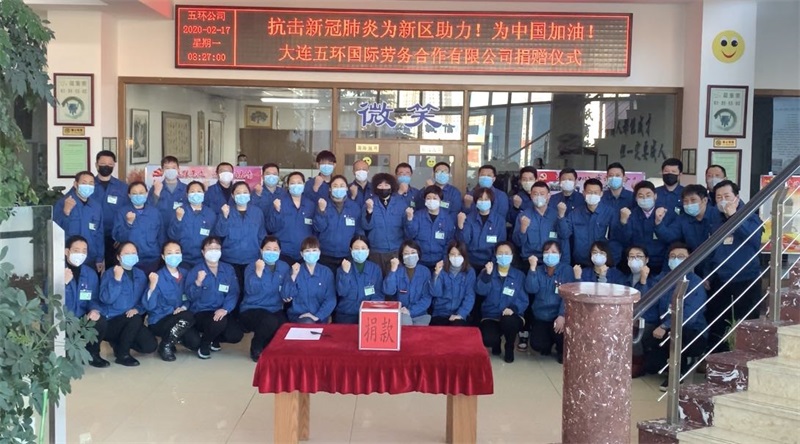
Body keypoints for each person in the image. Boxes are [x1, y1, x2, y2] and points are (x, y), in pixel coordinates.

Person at [707, 180, 764, 353]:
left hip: (745, 279)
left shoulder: (751, 216)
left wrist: (734, 217)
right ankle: (718, 361)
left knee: (745, 323)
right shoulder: (716, 219)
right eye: (719, 197)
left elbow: (754, 239)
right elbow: (711, 251)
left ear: (737, 198)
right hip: (721, 280)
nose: (723, 200)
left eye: (727, 196)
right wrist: (708, 274)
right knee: (718, 324)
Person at [644, 243, 707, 390]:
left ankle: (678, 373)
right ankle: (669, 364)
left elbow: (689, 316)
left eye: (681, 257)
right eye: (672, 257)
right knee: (651, 363)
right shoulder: (664, 279)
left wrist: (665, 325)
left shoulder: (696, 283)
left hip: (691, 331)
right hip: (665, 328)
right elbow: (652, 305)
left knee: (678, 334)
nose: (676, 260)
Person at [96, 242, 158, 366]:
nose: (131, 256)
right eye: (127, 253)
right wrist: (117, 280)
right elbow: (106, 299)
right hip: (111, 321)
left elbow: (144, 302)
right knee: (135, 319)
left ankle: (119, 343)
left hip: (130, 320)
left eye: (133, 253)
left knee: (150, 345)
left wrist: (138, 309)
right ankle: (122, 354)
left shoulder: (140, 274)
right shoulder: (110, 273)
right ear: (118, 257)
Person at [185, 236, 243, 359]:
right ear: (203, 252)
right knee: (218, 322)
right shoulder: (196, 270)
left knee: (236, 335)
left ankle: (213, 338)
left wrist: (225, 309)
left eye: (217, 248)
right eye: (210, 248)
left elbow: (233, 292)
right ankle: (204, 344)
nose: (214, 251)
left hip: (221, 310)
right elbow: (190, 296)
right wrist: (198, 283)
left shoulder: (228, 269)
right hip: (201, 312)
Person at [142, 241, 199, 361]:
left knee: (195, 342)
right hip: (159, 319)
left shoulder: (186, 274)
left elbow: (189, 297)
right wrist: (152, 287)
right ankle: (165, 345)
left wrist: (183, 308)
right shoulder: (157, 276)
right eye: (169, 253)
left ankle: (172, 339)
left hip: (180, 318)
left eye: (177, 252)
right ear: (163, 256)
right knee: (188, 316)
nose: (174, 256)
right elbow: (149, 306)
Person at [241, 236, 291, 362]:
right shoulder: (252, 266)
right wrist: (258, 272)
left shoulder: (284, 267)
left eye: (275, 249)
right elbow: (250, 290)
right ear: (261, 250)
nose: (272, 252)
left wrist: (288, 293)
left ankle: (268, 345)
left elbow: (287, 288)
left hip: (274, 307)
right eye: (268, 249)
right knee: (270, 321)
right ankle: (256, 346)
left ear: (280, 251)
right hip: (252, 307)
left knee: (284, 325)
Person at [477, 241, 528, 363]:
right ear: (495, 255)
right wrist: (487, 276)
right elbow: (480, 291)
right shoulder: (487, 271)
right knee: (488, 339)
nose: (503, 256)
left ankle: (509, 346)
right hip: (491, 315)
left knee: (508, 321)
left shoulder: (519, 275)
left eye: (506, 253)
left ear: (512, 255)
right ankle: (496, 343)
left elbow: (523, 299)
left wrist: (513, 309)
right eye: (500, 253)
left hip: (512, 315)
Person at [654, 185, 721, 278]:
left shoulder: (717, 215)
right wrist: (658, 222)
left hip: (717, 266)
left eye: (693, 200)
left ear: (704, 200)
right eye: (685, 201)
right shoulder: (683, 219)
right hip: (693, 265)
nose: (689, 204)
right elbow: (669, 236)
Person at [215, 181, 266, 303]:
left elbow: (261, 235)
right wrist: (224, 217)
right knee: (232, 291)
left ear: (249, 194)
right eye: (238, 193)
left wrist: (262, 256)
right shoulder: (227, 211)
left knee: (249, 289)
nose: (242, 195)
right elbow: (220, 233)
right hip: (230, 260)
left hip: (252, 259)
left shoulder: (257, 212)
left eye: (245, 192)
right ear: (233, 196)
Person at [524, 241, 574, 363]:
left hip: (558, 315)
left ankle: (560, 349)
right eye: (546, 252)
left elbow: (568, 296)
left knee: (561, 334)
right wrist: (532, 268)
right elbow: (531, 289)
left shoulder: (566, 270)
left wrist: (562, 315)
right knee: (537, 344)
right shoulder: (538, 270)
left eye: (554, 252)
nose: (550, 255)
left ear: (560, 255)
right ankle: (548, 343)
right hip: (541, 316)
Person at [63, 235, 108, 368]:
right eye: (76, 250)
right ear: (67, 251)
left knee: (100, 320)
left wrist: (94, 310)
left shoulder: (90, 274)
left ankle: (93, 354)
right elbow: (50, 301)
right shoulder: (57, 271)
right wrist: (63, 284)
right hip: (63, 322)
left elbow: (94, 299)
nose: (80, 254)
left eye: (84, 251)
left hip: (82, 320)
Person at [612, 180, 674, 274]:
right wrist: (623, 222)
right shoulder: (630, 215)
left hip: (659, 264)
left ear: (655, 196)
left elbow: (670, 238)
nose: (645, 198)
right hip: (636, 263)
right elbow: (623, 240)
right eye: (641, 196)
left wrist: (659, 223)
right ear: (636, 198)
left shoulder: (665, 213)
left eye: (648, 195)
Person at [558, 178, 618, 267]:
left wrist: (613, 261)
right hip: (581, 262)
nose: (592, 195)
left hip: (603, 263)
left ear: (601, 194)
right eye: (589, 192)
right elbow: (564, 234)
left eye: (595, 193)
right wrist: (561, 217)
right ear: (583, 193)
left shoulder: (610, 213)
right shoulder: (574, 214)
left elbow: (615, 239)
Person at [54, 171, 105, 273]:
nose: (88, 186)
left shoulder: (96, 207)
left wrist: (100, 258)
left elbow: (99, 234)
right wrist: (66, 212)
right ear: (75, 184)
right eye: (84, 183)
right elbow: (56, 229)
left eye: (91, 183)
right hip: (68, 258)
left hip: (90, 258)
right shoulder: (64, 203)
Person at [314, 175, 363, 272]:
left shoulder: (354, 207)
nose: (338, 188)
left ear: (346, 188)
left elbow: (358, 231)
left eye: (342, 186)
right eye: (335, 186)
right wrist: (322, 211)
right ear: (330, 189)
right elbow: (318, 228)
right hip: (325, 255)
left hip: (347, 255)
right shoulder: (323, 205)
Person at [113, 181, 164, 274]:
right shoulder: (122, 212)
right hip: (130, 259)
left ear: (147, 194)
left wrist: (161, 254)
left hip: (152, 258)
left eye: (141, 193)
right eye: (134, 193)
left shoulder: (155, 212)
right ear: (129, 195)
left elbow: (161, 236)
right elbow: (118, 237)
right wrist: (128, 223)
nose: (138, 196)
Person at [282, 236, 336, 324]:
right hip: (299, 317)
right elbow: (286, 296)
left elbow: (331, 299)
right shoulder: (295, 270)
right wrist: (293, 276)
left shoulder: (326, 272)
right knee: (307, 322)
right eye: (307, 251)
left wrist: (318, 316)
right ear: (301, 254)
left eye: (314, 250)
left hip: (320, 317)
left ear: (319, 252)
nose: (311, 253)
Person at [513, 180, 566, 267]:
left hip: (552, 260)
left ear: (548, 196)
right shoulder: (523, 216)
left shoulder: (556, 215)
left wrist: (561, 217)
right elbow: (517, 243)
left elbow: (564, 235)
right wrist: (523, 229)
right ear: (531, 195)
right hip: (529, 260)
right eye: (535, 194)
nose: (538, 197)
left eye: (542, 194)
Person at [267, 171, 316, 265]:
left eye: (299, 183)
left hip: (305, 253)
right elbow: (271, 227)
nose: (296, 185)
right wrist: (277, 211)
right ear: (288, 185)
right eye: (292, 183)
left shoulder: (310, 205)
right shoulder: (279, 203)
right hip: (283, 253)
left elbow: (316, 229)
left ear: (304, 184)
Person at [361, 173, 406, 275]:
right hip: (376, 251)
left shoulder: (400, 203)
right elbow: (366, 226)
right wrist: (369, 211)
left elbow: (407, 227)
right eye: (380, 185)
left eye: (386, 185)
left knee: (394, 279)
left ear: (392, 186)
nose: (383, 188)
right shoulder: (369, 203)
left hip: (396, 249)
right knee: (376, 278)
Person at [334, 235, 384, 324]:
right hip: (346, 314)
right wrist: (345, 273)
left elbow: (378, 294)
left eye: (363, 248)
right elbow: (342, 292)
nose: (360, 251)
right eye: (356, 248)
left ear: (368, 250)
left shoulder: (375, 269)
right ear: (351, 250)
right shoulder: (343, 268)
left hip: (368, 314)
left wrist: (369, 309)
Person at [92, 150, 129, 270]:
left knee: (113, 270)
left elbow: (128, 211)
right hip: (93, 235)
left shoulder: (122, 187)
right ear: (96, 165)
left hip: (114, 237)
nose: (106, 166)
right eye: (103, 163)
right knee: (93, 270)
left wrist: (121, 235)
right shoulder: (88, 184)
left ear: (114, 166)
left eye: (110, 164)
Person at [404, 185, 456, 270]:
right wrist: (409, 219)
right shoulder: (418, 216)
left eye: (435, 198)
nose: (431, 200)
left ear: (440, 200)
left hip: (439, 261)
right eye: (428, 198)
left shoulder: (447, 219)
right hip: (420, 261)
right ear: (425, 200)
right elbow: (410, 236)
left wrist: (444, 261)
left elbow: (449, 242)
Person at [168, 181, 217, 269]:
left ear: (203, 193)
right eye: (192, 191)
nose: (196, 194)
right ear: (187, 195)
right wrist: (178, 219)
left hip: (203, 259)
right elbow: (173, 236)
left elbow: (213, 237)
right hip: (183, 259)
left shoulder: (210, 214)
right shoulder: (179, 211)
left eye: (199, 191)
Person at [458, 187, 508, 274]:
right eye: (480, 199)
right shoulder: (469, 218)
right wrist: (461, 227)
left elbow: (500, 245)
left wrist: (492, 264)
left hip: (491, 262)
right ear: (476, 201)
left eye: (486, 199)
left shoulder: (499, 221)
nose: (483, 202)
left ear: (491, 201)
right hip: (470, 262)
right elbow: (464, 242)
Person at [383, 240, 434, 325]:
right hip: (402, 313)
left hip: (421, 314)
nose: (410, 256)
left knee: (421, 331)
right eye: (406, 253)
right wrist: (393, 270)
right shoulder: (397, 271)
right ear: (402, 256)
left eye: (413, 252)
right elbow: (389, 291)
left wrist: (411, 311)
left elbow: (426, 298)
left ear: (418, 254)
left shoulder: (425, 272)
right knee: (405, 322)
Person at [429, 241, 475, 326]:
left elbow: (469, 296)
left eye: (459, 254)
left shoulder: (469, 272)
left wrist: (460, 314)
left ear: (464, 256)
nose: (456, 257)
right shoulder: (441, 269)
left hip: (460, 313)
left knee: (457, 328)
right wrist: (436, 274)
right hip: (440, 313)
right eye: (453, 254)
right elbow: (435, 293)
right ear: (448, 255)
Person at [147, 156, 187, 237]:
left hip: (180, 230)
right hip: (160, 230)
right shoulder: (155, 188)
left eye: (173, 168)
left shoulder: (186, 189)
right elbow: (148, 209)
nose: (170, 170)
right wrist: (156, 193)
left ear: (178, 169)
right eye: (167, 168)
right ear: (162, 170)